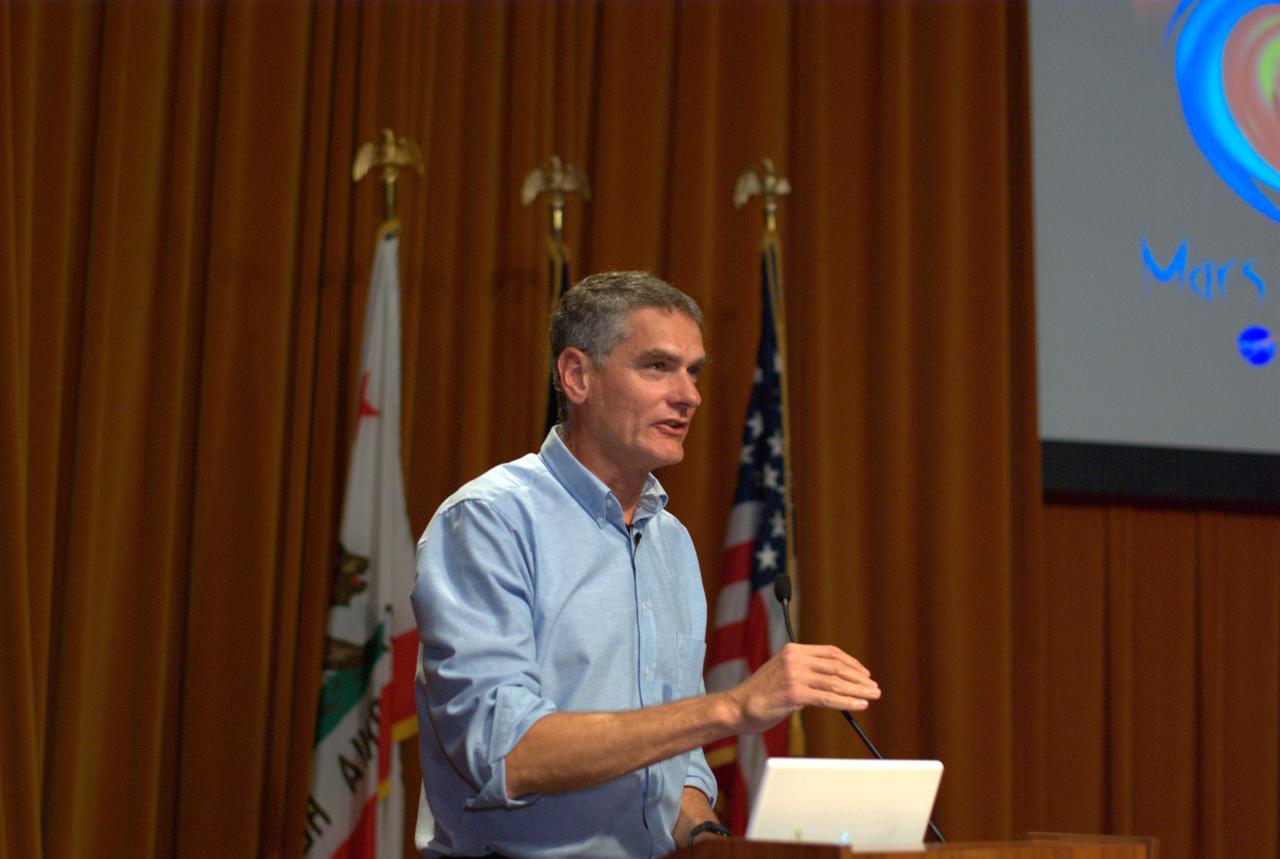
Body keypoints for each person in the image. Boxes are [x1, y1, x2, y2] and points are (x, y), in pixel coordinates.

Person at [410, 271, 880, 858]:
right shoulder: (489, 521)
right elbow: (505, 753)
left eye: (694, 371)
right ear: (577, 376)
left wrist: (709, 839)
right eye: (658, 367)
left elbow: (675, 762)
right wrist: (730, 707)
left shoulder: (671, 542)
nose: (690, 396)